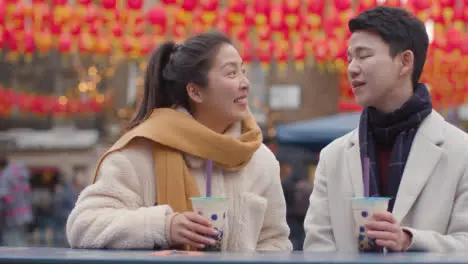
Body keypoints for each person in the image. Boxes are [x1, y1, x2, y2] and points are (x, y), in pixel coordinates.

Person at [66, 31, 292, 251]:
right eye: (231, 74)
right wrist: (164, 226)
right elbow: (84, 224)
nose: (245, 83)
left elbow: (275, 242)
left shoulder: (259, 159)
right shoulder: (141, 151)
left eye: (243, 71)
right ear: (195, 92)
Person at [304, 6, 468, 252]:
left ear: (405, 61)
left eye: (364, 55)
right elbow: (317, 248)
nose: (352, 68)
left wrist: (410, 241)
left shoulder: (461, 151)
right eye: (350, 58)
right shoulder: (332, 157)